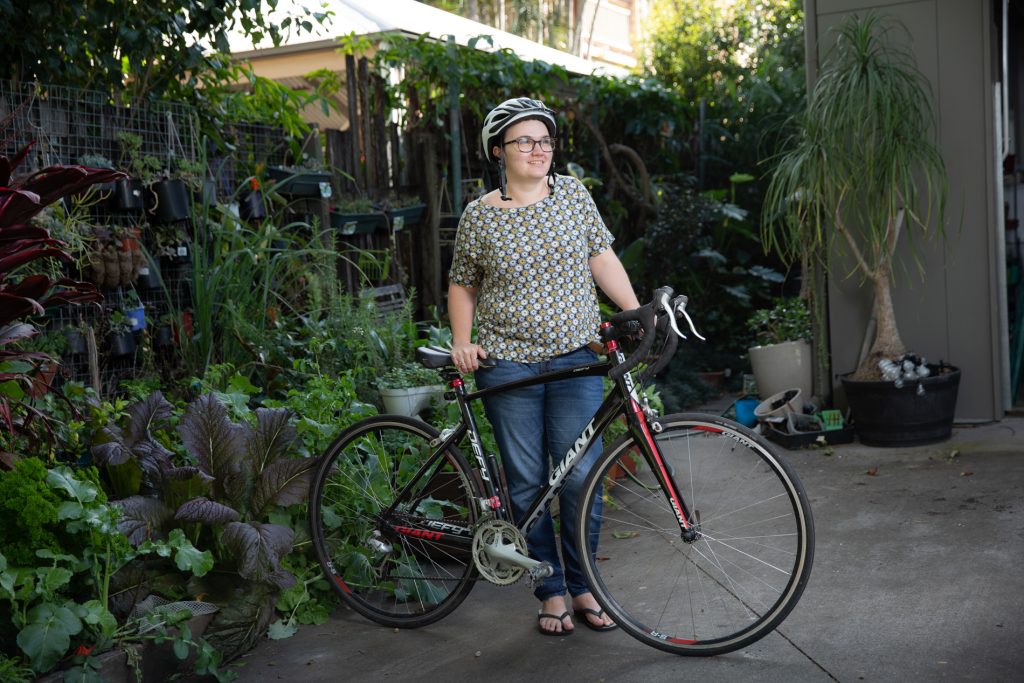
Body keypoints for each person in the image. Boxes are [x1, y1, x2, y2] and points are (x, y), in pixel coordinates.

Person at [447, 97, 641, 636]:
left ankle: (585, 586)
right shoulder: (479, 215)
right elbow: (463, 284)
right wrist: (462, 342)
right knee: (529, 484)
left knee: (582, 474)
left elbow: (600, 256)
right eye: (525, 141)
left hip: (577, 359)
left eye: (546, 140)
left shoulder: (574, 195)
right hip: (508, 367)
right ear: (498, 151)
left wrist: (633, 312)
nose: (539, 149)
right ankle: (551, 590)